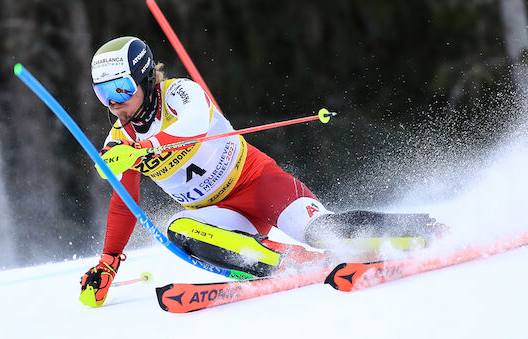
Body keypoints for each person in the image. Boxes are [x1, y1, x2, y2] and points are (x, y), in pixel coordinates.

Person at [79, 36, 440, 307]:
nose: (114, 102)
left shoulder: (180, 95)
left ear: (144, 79)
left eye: (121, 88)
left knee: (320, 229)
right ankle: (300, 263)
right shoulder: (119, 142)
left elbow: (192, 126)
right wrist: (108, 264)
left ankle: (425, 229)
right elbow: (124, 203)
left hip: (258, 182)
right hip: (223, 216)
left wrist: (146, 147)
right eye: (103, 93)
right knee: (178, 230)